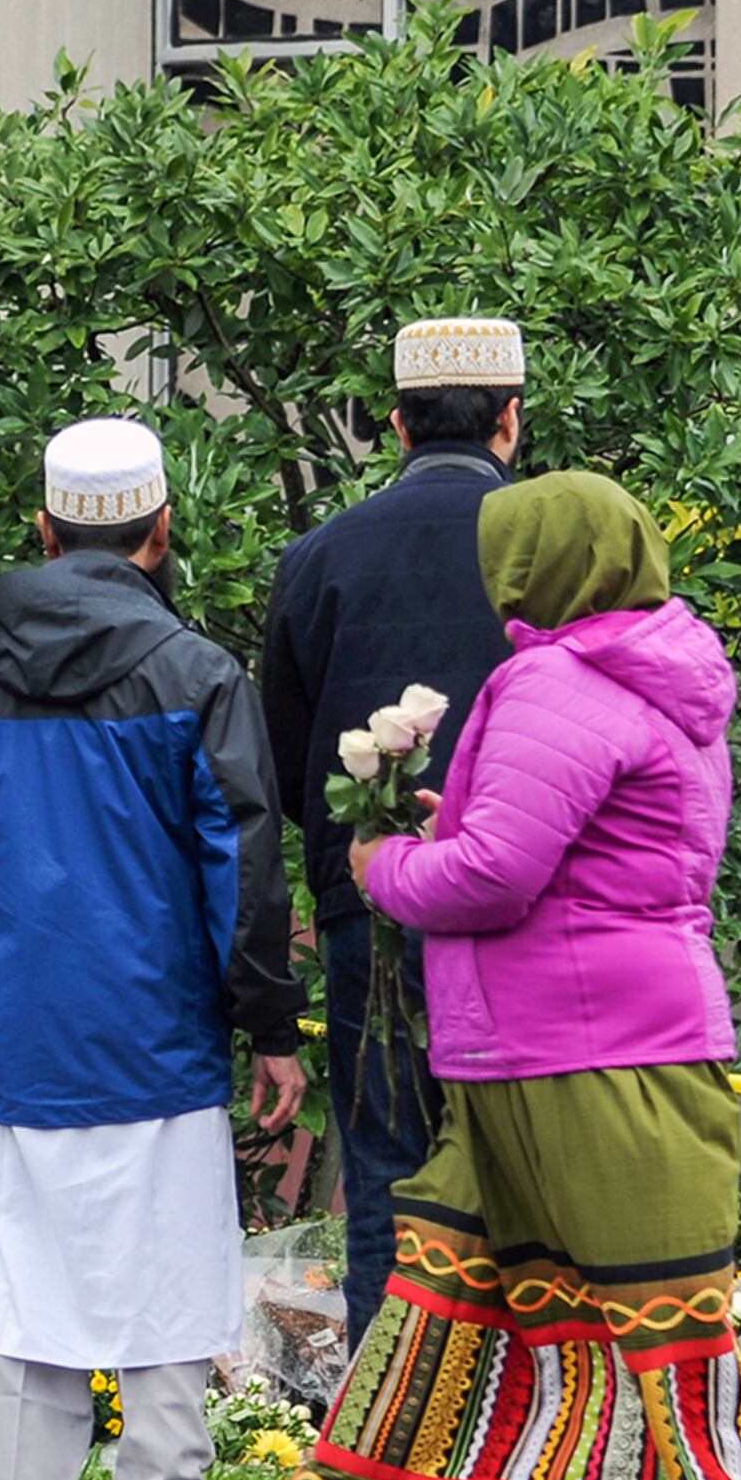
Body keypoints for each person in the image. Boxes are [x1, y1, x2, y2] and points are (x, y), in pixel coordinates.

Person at [225, 471, 741, 1480]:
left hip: (582, 1053)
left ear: (547, 562)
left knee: (653, 1311)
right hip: (568, 1045)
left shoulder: (556, 680)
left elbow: (496, 875)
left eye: (506, 553)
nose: (492, 577)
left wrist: (380, 865)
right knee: (441, 1286)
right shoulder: (657, 673)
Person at [0, 417, 306, 1480]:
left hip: (29, 1031)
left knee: (31, 1280)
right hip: (161, 1031)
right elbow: (241, 865)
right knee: (169, 1274)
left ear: (43, 527)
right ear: (161, 528)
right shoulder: (197, 673)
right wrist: (271, 1025)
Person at [259, 317, 524, 1345]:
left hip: (369, 902)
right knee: (519, 1172)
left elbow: (286, 764)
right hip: (523, 911)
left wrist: (361, 851)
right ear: (511, 418)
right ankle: (513, 1440)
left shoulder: (321, 554)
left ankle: (385, 1458)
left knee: (386, 1170)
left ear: (398, 425)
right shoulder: (544, 545)